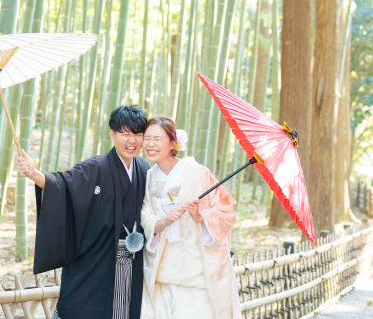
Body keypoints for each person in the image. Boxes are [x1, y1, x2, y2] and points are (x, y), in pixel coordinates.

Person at [17, 105, 150, 319]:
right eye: (125, 133)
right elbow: (64, 185)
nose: (132, 140)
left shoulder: (144, 168)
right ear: (112, 134)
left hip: (133, 259)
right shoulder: (95, 167)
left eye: (137, 134)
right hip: (98, 258)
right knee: (86, 307)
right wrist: (34, 173)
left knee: (124, 310)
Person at [139, 117, 241, 319]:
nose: (150, 144)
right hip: (162, 271)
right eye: (147, 138)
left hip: (195, 271)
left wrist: (201, 215)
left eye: (157, 139)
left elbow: (227, 211)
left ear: (172, 144)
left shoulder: (198, 173)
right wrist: (164, 221)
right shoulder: (149, 176)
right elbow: (145, 217)